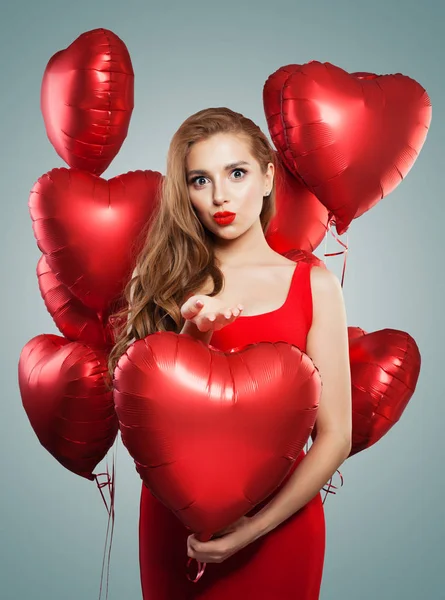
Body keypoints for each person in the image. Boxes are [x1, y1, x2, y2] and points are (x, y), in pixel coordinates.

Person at [107, 107, 352, 599]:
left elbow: (336, 435)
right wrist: (196, 336)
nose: (219, 196)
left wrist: (250, 531)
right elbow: (145, 416)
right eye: (200, 180)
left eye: (235, 173)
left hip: (280, 528)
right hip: (176, 522)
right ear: (185, 191)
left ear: (266, 178)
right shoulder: (158, 281)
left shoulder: (314, 286)